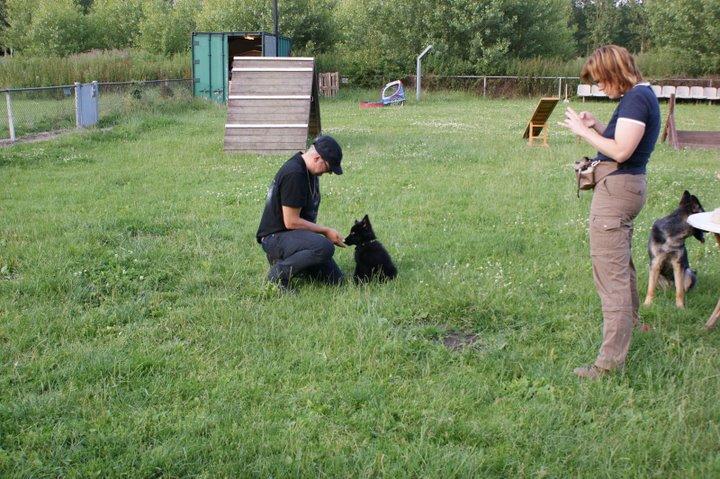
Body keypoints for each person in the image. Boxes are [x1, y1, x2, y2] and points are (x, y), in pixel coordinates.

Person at [558, 45, 660, 379]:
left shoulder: (636, 99)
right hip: (627, 187)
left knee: (610, 276)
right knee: (622, 266)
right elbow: (623, 140)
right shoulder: (640, 95)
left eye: (602, 80)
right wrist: (600, 126)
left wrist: (584, 132)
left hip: (617, 192)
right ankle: (632, 326)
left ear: (616, 72)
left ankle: (608, 364)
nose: (601, 88)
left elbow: (622, 150)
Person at [256, 135, 346, 289]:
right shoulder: (295, 174)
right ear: (317, 158)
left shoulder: (309, 172)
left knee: (336, 280)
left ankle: (289, 262)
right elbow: (291, 222)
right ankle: (278, 274)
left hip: (291, 236)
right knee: (324, 247)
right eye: (328, 167)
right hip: (275, 237)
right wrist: (325, 231)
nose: (329, 172)